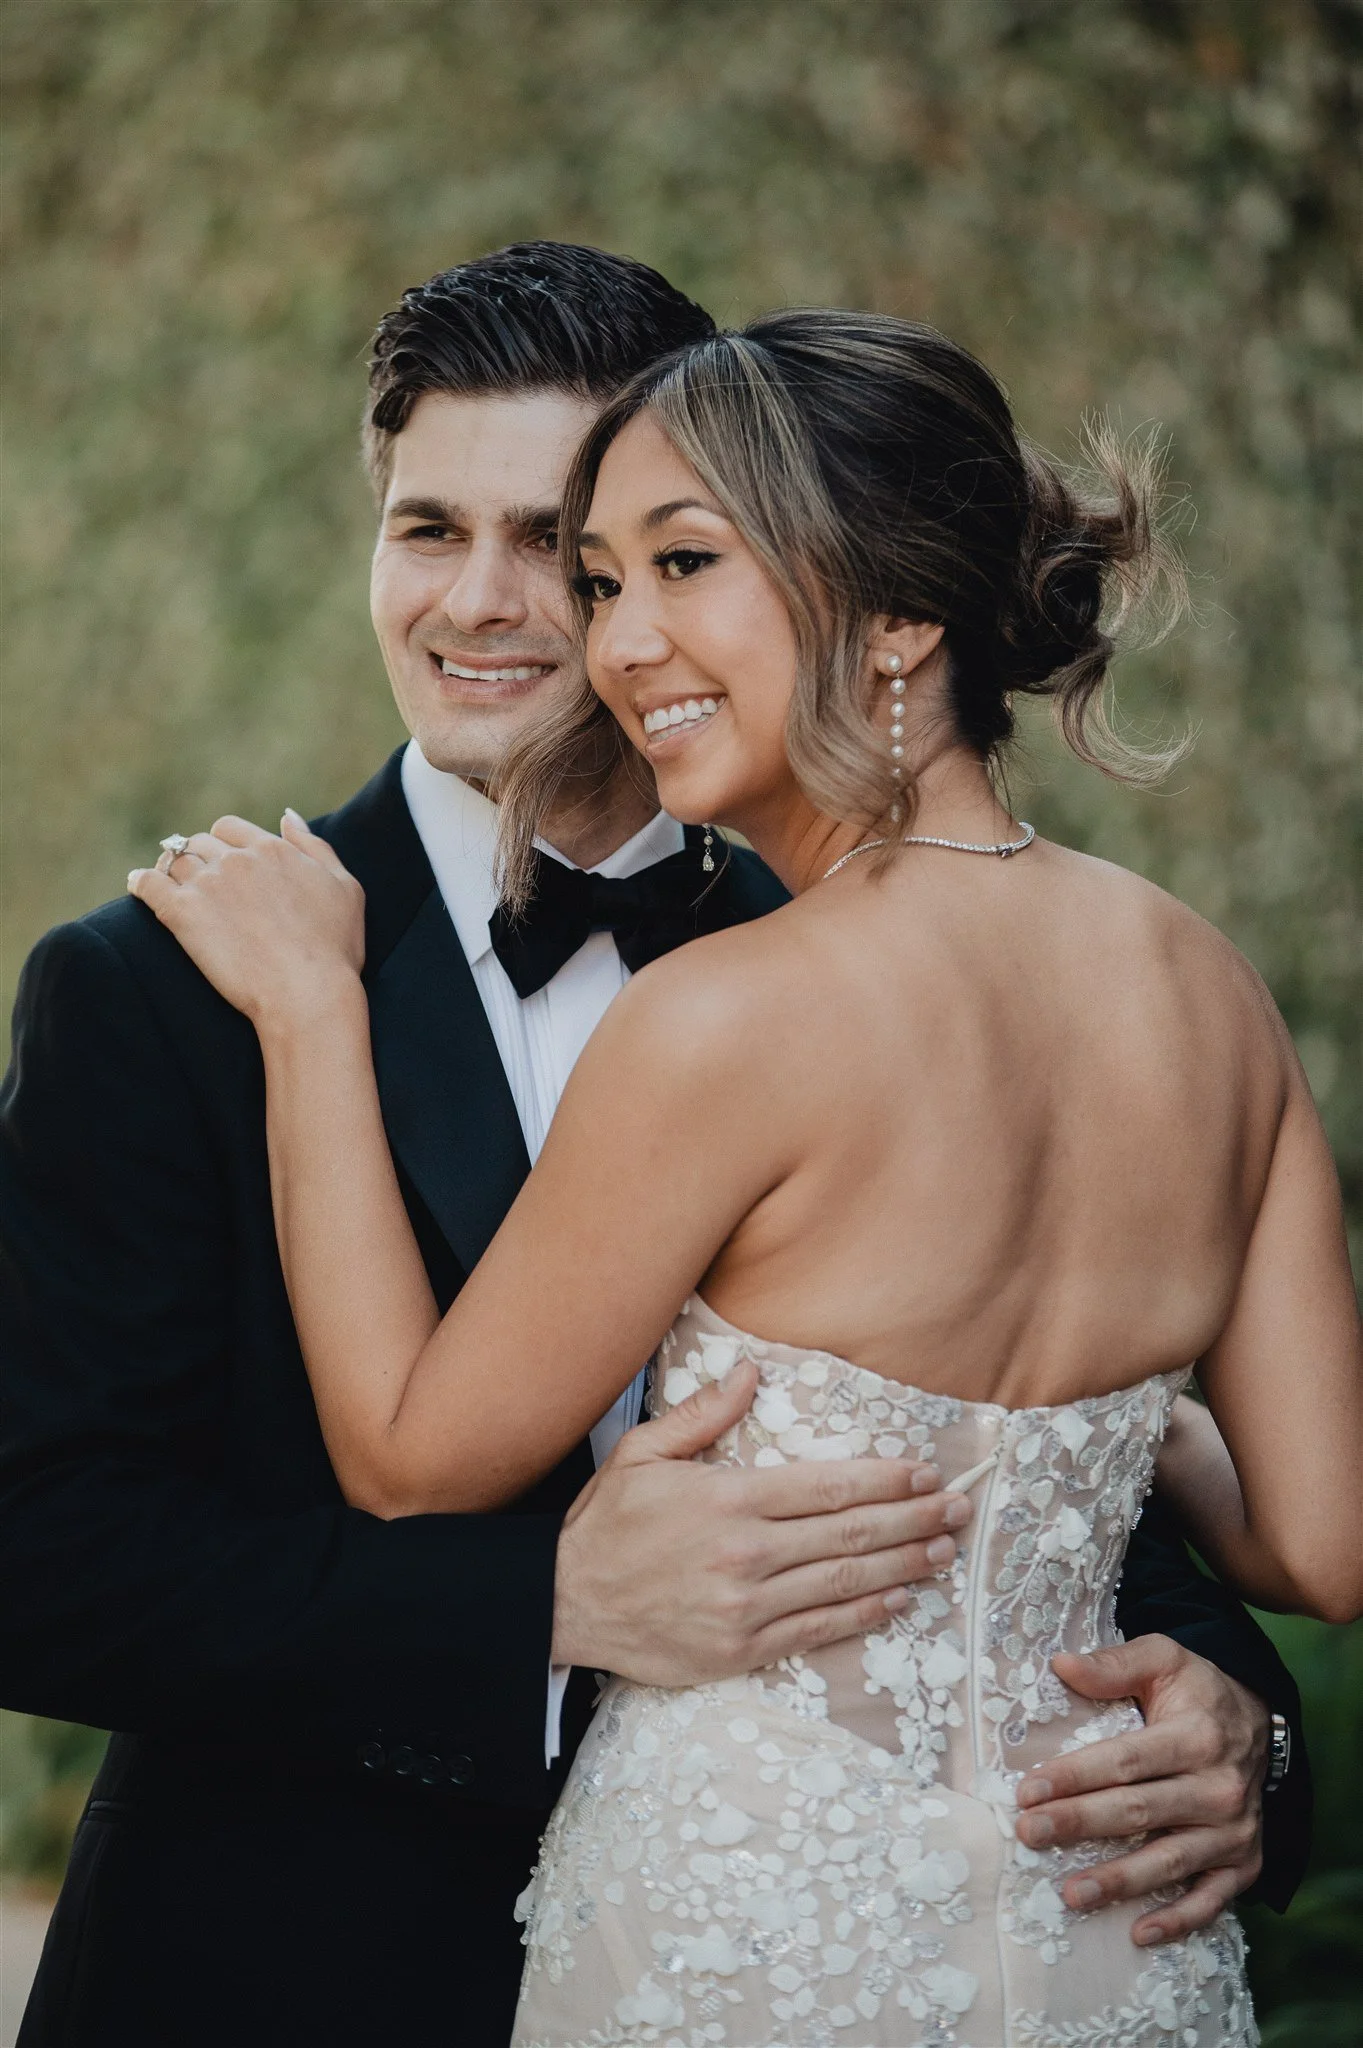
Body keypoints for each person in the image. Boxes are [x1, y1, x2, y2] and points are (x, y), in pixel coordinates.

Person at [0, 248, 1305, 2048]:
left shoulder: (844, 959)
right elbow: (43, 1556)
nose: (494, 604)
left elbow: (1039, 1475)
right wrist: (536, 1607)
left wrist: (1241, 1722)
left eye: (573, 545)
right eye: (422, 528)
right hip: (294, 1977)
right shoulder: (163, 986)